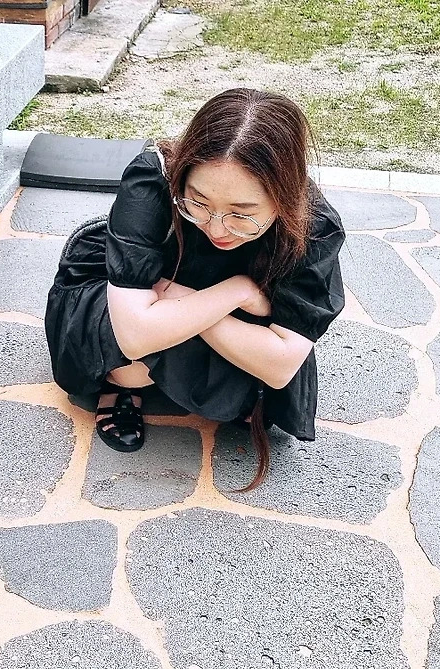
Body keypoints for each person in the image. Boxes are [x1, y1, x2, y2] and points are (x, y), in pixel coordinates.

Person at [45, 88, 346, 490]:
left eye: (242, 214)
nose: (217, 227)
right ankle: (117, 386)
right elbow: (134, 336)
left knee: (247, 381)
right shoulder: (154, 179)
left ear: (284, 201)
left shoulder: (313, 225)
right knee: (132, 369)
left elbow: (280, 366)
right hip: (124, 289)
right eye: (198, 202)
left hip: (165, 295)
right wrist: (238, 292)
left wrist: (180, 300)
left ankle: (194, 363)